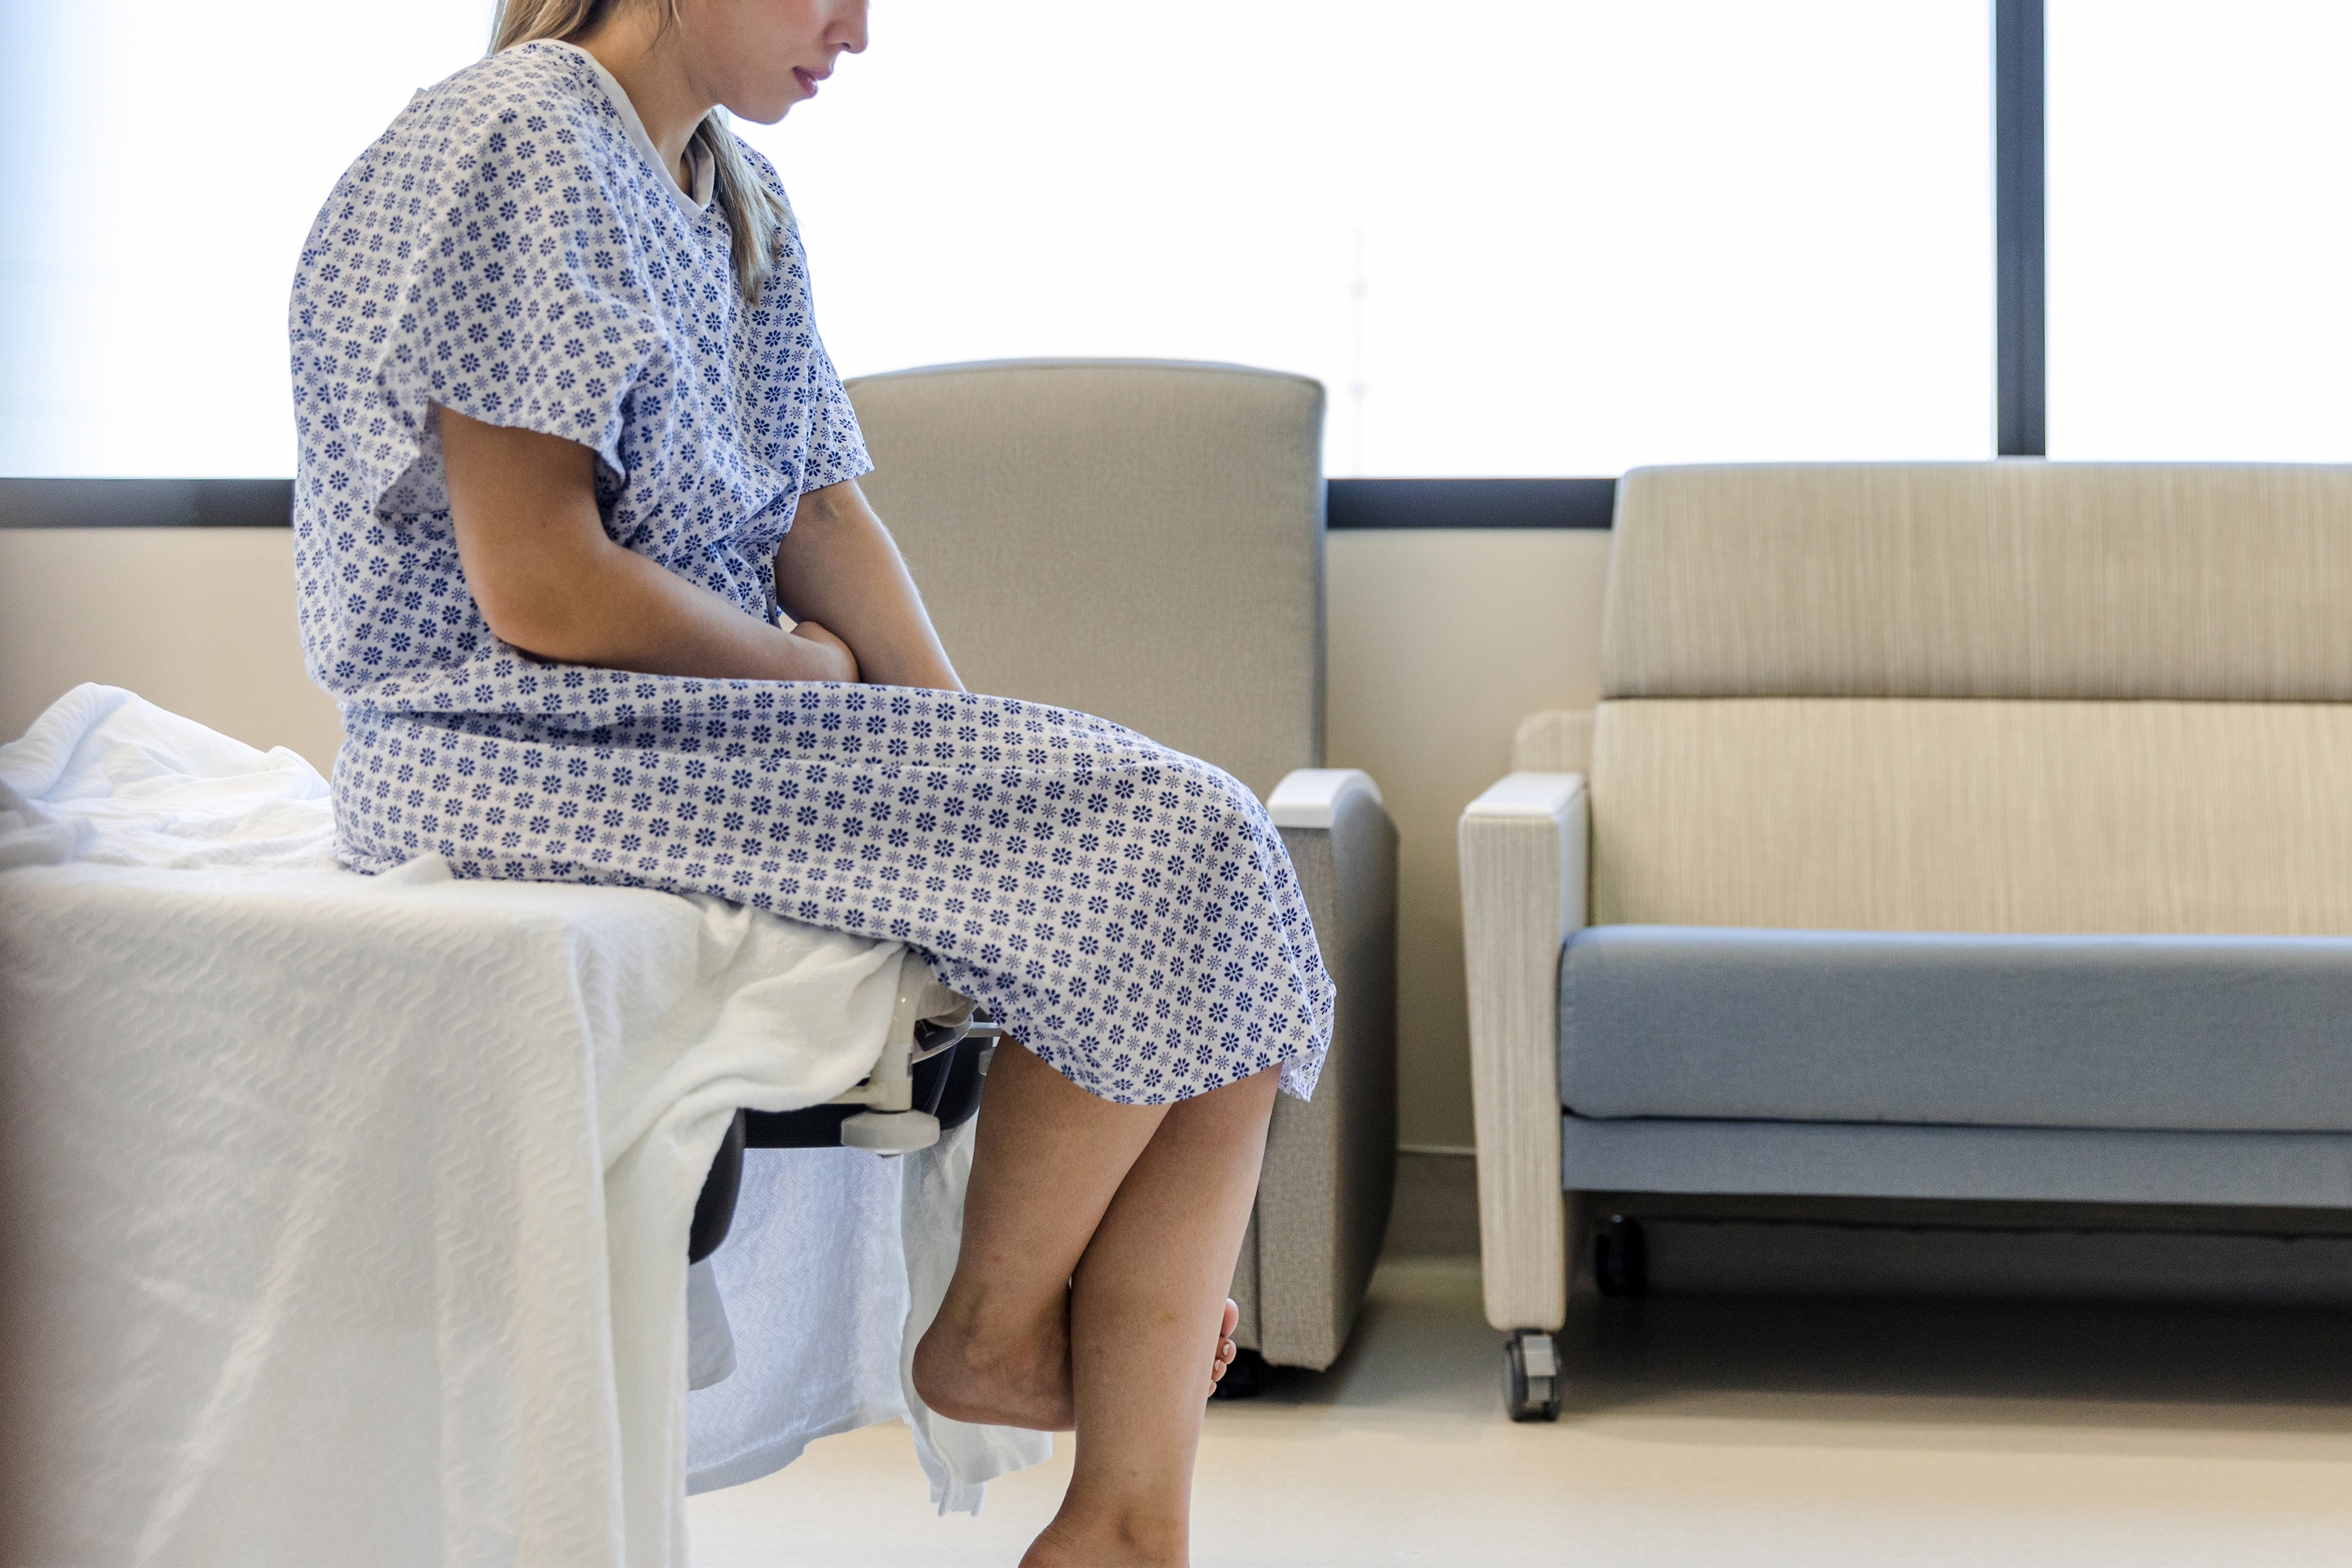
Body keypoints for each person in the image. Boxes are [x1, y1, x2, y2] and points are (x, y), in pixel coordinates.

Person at [287, 2, 1334, 1562]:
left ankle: (1124, 1525)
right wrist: (820, 683)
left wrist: (972, 763)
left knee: (1209, 874)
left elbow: (823, 517)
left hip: (678, 727)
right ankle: (992, 1338)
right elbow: (542, 591)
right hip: (516, 742)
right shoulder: (515, 136)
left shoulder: (727, 187)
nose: (858, 30)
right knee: (1194, 838)